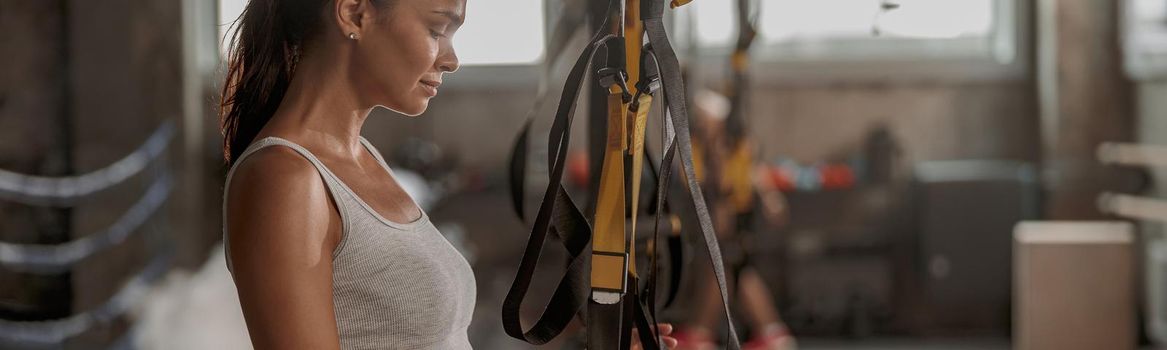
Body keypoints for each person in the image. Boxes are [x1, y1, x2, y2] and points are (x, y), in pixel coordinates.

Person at [219, 1, 676, 349]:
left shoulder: (364, 160)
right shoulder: (286, 179)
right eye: (437, 30)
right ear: (354, 13)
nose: (451, 58)